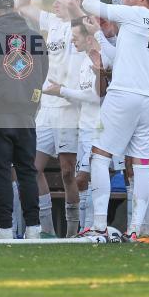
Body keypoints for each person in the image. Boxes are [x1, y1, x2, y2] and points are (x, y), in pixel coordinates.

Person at [72, 0, 149, 243]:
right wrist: (102, 34)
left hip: (123, 95)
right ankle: (136, 229)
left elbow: (89, 3)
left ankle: (99, 224)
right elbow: (121, 54)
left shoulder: (134, 15)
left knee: (99, 155)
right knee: (140, 165)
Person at [18, 0, 88, 237]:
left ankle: (72, 230)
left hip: (69, 107)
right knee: (32, 166)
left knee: (69, 172)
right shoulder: (52, 22)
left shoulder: (81, 22)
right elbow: (21, 5)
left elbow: (70, 4)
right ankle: (45, 228)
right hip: (46, 107)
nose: (55, 2)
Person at [0, 0, 49, 240]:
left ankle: (6, 227)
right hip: (26, 114)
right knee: (27, 171)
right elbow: (42, 73)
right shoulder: (35, 37)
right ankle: (33, 228)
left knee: (0, 173)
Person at [43, 20, 108, 234]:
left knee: (84, 178)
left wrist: (62, 91)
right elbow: (84, 97)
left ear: (89, 39)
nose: (72, 41)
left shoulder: (100, 60)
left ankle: (91, 227)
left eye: (76, 37)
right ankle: (86, 228)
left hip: (99, 129)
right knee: (84, 181)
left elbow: (95, 96)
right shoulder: (84, 60)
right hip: (85, 128)